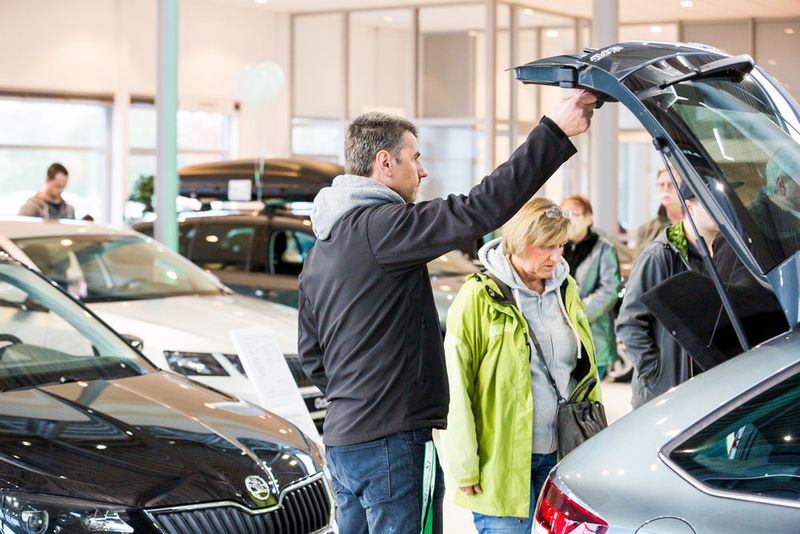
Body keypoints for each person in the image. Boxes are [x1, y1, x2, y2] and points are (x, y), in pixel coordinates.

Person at [298, 91, 597, 534]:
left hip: (344, 443)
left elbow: (311, 355)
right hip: (393, 445)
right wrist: (552, 132)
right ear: (384, 164)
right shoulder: (384, 227)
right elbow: (480, 208)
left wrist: (359, 397)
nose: (422, 170)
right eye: (414, 158)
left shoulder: (322, 247)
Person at [438, 197, 601, 533]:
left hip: (560, 455)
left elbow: (586, 373)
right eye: (545, 247)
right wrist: (465, 465)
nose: (556, 257)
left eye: (561, 246)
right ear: (518, 241)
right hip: (500, 460)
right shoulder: (478, 296)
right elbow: (456, 384)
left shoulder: (566, 291)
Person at [616, 181, 719, 408]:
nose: (723, 208)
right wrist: (656, 375)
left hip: (706, 395)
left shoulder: (722, 254)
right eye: (713, 202)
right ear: (690, 207)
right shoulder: (660, 255)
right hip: (664, 398)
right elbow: (629, 323)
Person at [561, 194, 621, 379]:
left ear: (589, 218)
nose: (570, 218)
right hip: (560, 334)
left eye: (576, 213)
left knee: (591, 393)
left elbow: (610, 289)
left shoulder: (604, 248)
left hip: (593, 333)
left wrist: (576, 313)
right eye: (566, 213)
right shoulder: (555, 246)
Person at [634, 167, 682, 257]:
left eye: (671, 184)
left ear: (683, 187)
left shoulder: (695, 226)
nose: (665, 189)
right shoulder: (646, 230)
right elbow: (638, 267)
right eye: (661, 184)